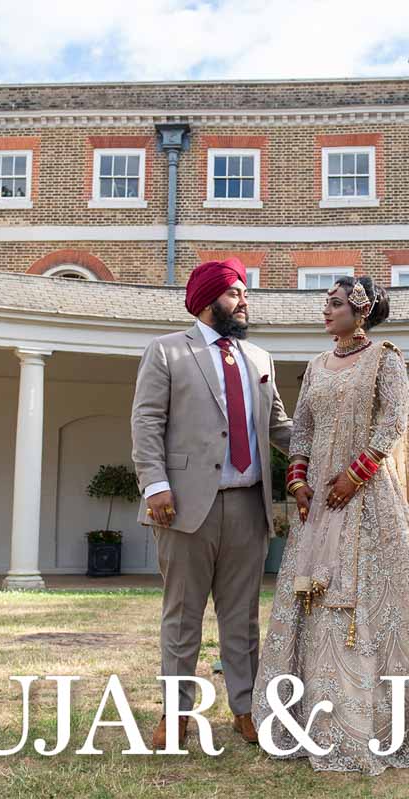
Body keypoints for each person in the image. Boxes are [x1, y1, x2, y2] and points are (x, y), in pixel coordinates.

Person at [252, 275, 409, 774]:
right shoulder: (316, 366)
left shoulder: (385, 359)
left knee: (385, 600)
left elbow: (393, 421)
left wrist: (353, 476)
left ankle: (388, 724)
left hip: (369, 495)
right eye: (326, 302)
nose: (326, 310)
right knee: (312, 599)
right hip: (319, 504)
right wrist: (297, 481)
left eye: (335, 303)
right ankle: (315, 721)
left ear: (361, 311)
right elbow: (302, 430)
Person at [131, 257, 293, 750]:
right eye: (234, 293)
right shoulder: (166, 351)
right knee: (183, 615)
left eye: (245, 293)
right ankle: (176, 715)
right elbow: (146, 422)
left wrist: (328, 450)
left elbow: (279, 426)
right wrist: (155, 485)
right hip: (183, 506)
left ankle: (246, 710)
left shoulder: (260, 359)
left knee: (242, 616)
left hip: (248, 506)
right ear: (207, 300)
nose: (244, 302)